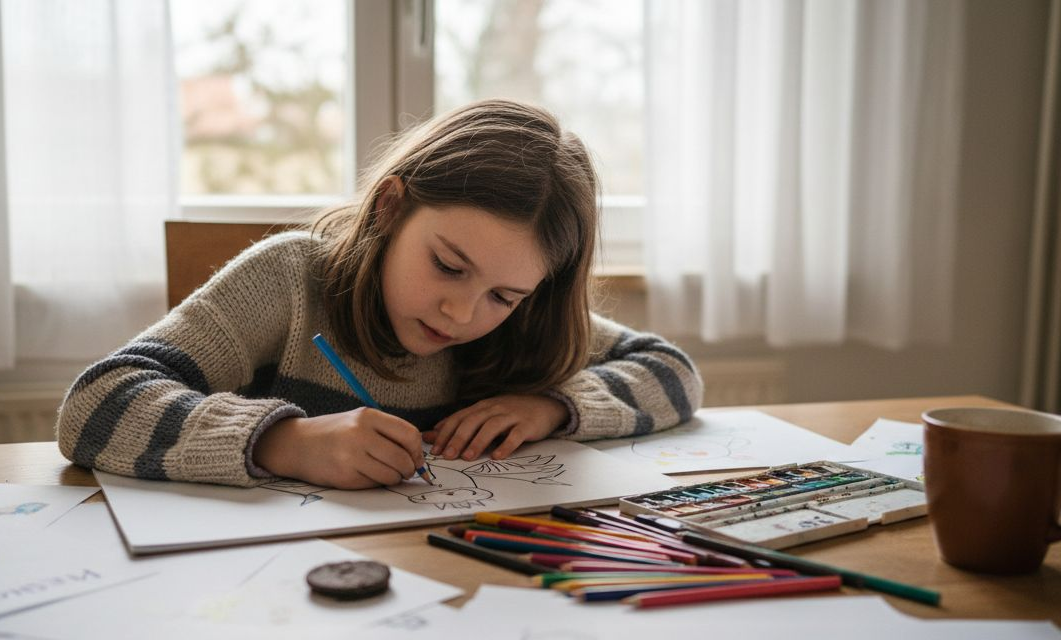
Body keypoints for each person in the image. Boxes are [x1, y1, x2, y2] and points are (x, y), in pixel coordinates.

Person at [56, 99, 702, 489]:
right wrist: (285, 443)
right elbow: (94, 404)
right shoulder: (289, 281)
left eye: (503, 295)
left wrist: (551, 407)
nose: (462, 312)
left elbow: (674, 374)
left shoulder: (523, 325)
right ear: (391, 208)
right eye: (449, 266)